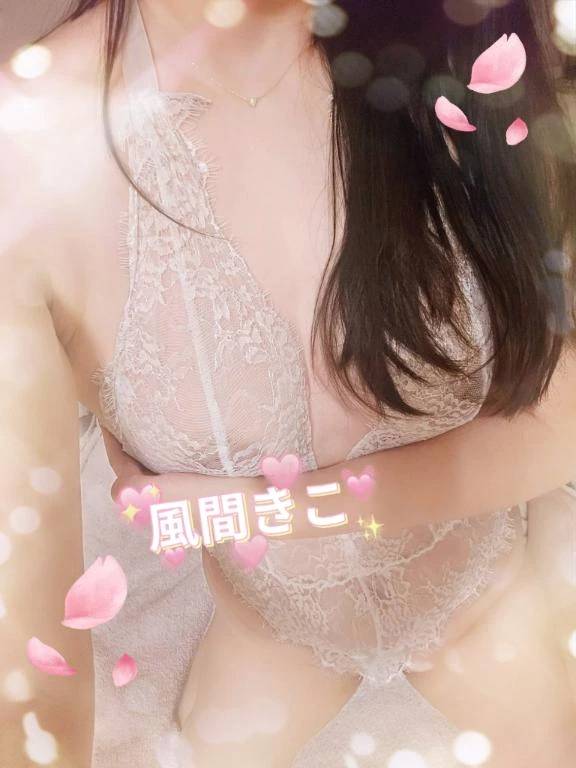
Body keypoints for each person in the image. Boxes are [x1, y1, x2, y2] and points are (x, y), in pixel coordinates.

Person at [1, 0, 575, 766]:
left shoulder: (462, 29)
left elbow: (561, 405)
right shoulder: (28, 158)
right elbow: (29, 702)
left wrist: (262, 509)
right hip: (271, 633)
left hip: (480, 597)